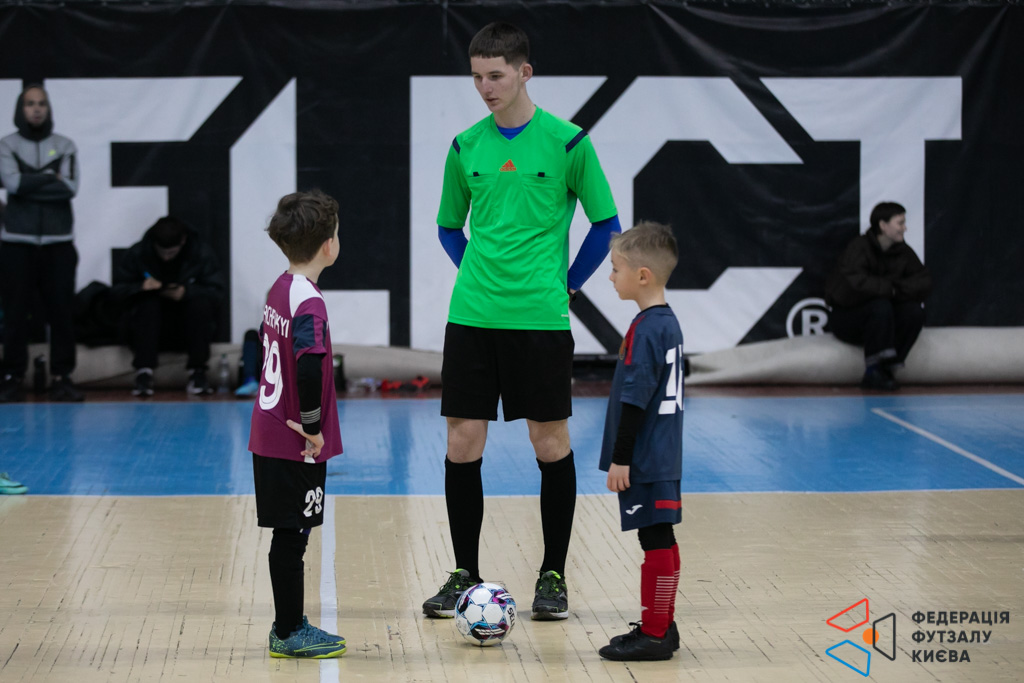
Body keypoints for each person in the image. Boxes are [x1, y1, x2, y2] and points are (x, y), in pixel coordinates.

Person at [423, 21, 622, 621]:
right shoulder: (464, 146)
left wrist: (568, 283)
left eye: (496, 75)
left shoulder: (568, 143)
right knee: (462, 441)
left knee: (549, 441)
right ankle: (464, 572)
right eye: (477, 77)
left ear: (523, 72)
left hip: (540, 319)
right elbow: (448, 228)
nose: (485, 87)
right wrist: (477, 274)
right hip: (472, 316)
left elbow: (607, 225)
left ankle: (553, 575)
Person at [248, 190, 346, 659]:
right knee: (292, 536)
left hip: (269, 428)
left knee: (290, 534)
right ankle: (287, 631)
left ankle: (289, 624)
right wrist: (311, 426)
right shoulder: (310, 301)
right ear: (328, 245)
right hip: (294, 441)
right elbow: (309, 365)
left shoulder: (280, 288)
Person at [596, 222, 684, 662]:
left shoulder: (646, 329)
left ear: (642, 275)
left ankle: (654, 633)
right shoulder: (667, 323)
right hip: (663, 454)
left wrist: (621, 459)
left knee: (654, 539)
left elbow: (635, 400)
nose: (611, 276)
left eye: (616, 269)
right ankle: (664, 625)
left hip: (646, 458)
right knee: (661, 536)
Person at [0, 84, 84, 402]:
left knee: (61, 313)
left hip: (58, 244)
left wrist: (28, 182)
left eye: (41, 103)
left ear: (48, 109)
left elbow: (70, 188)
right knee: (15, 314)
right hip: (17, 244)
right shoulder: (7, 145)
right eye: (30, 104)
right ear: (20, 110)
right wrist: (50, 177)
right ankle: (12, 376)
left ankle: (62, 377)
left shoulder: (64, 145)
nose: (36, 109)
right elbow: (12, 184)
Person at [111, 216, 225, 397]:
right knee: (147, 303)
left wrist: (186, 292)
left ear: (183, 241)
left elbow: (217, 292)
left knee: (199, 304)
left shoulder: (201, 254)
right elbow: (116, 292)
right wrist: (140, 287)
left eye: (171, 253)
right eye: (161, 252)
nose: (165, 257)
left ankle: (197, 372)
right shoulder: (139, 253)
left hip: (187, 328)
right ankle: (143, 373)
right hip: (147, 329)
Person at [825, 202, 931, 391]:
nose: (904, 228)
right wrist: (888, 290)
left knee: (914, 312)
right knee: (880, 306)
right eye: (900, 223)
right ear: (883, 225)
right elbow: (854, 286)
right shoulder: (858, 248)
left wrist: (894, 290)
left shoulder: (904, 252)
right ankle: (872, 372)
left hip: (884, 319)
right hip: (847, 320)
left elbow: (923, 282)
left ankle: (888, 368)